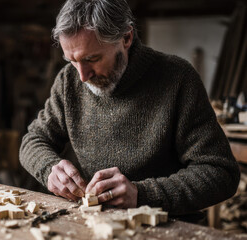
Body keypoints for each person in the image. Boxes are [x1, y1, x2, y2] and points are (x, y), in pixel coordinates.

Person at [19, 0, 240, 219]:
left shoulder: (178, 79)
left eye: (92, 59)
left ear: (126, 38)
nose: (83, 76)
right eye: (72, 60)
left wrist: (143, 194)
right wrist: (50, 168)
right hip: (93, 223)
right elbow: (33, 140)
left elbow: (221, 173)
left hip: (166, 227)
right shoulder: (69, 82)